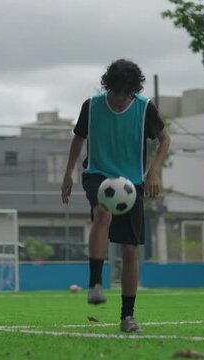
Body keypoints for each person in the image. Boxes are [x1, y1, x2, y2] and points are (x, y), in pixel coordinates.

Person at [61, 59, 171, 333]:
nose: (121, 101)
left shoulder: (145, 108)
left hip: (132, 181)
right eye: (117, 94)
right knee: (102, 213)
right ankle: (96, 283)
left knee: (131, 249)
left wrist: (153, 171)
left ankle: (128, 316)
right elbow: (78, 139)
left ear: (133, 91)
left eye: (127, 95)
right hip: (97, 173)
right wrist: (68, 174)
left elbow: (164, 139)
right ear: (108, 88)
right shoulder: (92, 106)